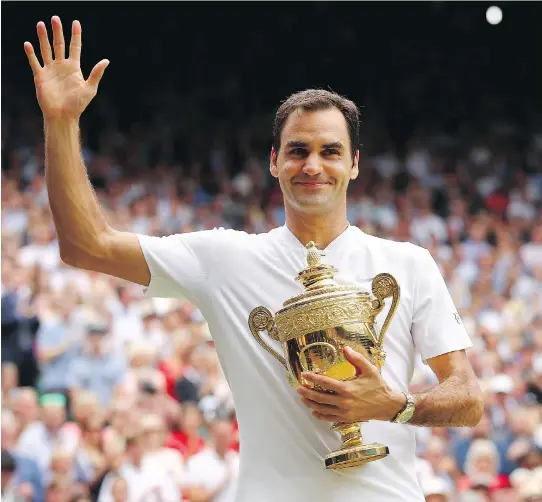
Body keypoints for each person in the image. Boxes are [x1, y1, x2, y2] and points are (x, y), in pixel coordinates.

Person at [23, 16, 483, 502]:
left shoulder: (409, 263)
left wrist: (397, 405)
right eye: (297, 150)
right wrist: (61, 121)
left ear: (354, 163)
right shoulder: (224, 258)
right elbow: (85, 244)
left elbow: (468, 399)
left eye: (331, 152)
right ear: (273, 161)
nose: (312, 165)